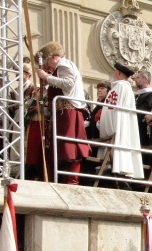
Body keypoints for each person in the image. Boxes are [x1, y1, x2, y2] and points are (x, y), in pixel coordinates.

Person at [36, 41, 90, 185]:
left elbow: (68, 83)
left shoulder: (64, 65)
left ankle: (71, 180)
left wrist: (46, 77)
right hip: (63, 112)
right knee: (62, 147)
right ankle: (64, 178)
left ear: (53, 57)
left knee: (70, 147)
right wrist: (48, 79)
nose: (47, 67)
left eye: (47, 62)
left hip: (69, 111)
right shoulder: (59, 68)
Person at [99, 63, 144, 179]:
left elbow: (117, 110)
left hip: (118, 128)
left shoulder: (122, 87)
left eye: (115, 71)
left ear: (118, 72)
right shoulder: (118, 87)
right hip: (112, 129)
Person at [134, 70, 152, 147]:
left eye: (138, 77)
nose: (135, 79)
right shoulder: (136, 96)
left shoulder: (151, 96)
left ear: (145, 79)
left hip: (143, 134)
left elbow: (141, 113)